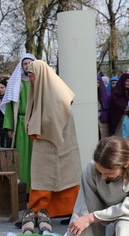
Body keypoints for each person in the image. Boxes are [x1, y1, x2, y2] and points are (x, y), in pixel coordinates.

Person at [24, 60, 82, 219]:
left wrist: (37, 128)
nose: (30, 79)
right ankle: (38, 212)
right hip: (47, 140)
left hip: (57, 140)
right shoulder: (41, 88)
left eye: (32, 75)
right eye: (28, 75)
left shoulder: (56, 90)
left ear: (40, 74)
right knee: (43, 176)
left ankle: (58, 211)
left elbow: (59, 115)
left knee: (60, 176)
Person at [0, 53, 36, 191]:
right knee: (21, 157)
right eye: (25, 63)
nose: (27, 66)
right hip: (21, 123)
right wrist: (9, 127)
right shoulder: (16, 83)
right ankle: (23, 189)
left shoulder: (39, 81)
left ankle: (36, 189)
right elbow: (10, 105)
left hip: (36, 122)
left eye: (29, 63)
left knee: (36, 156)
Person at [97, 75, 111, 140]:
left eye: (98, 82)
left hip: (102, 123)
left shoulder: (106, 95)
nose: (96, 84)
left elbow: (110, 110)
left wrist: (101, 114)